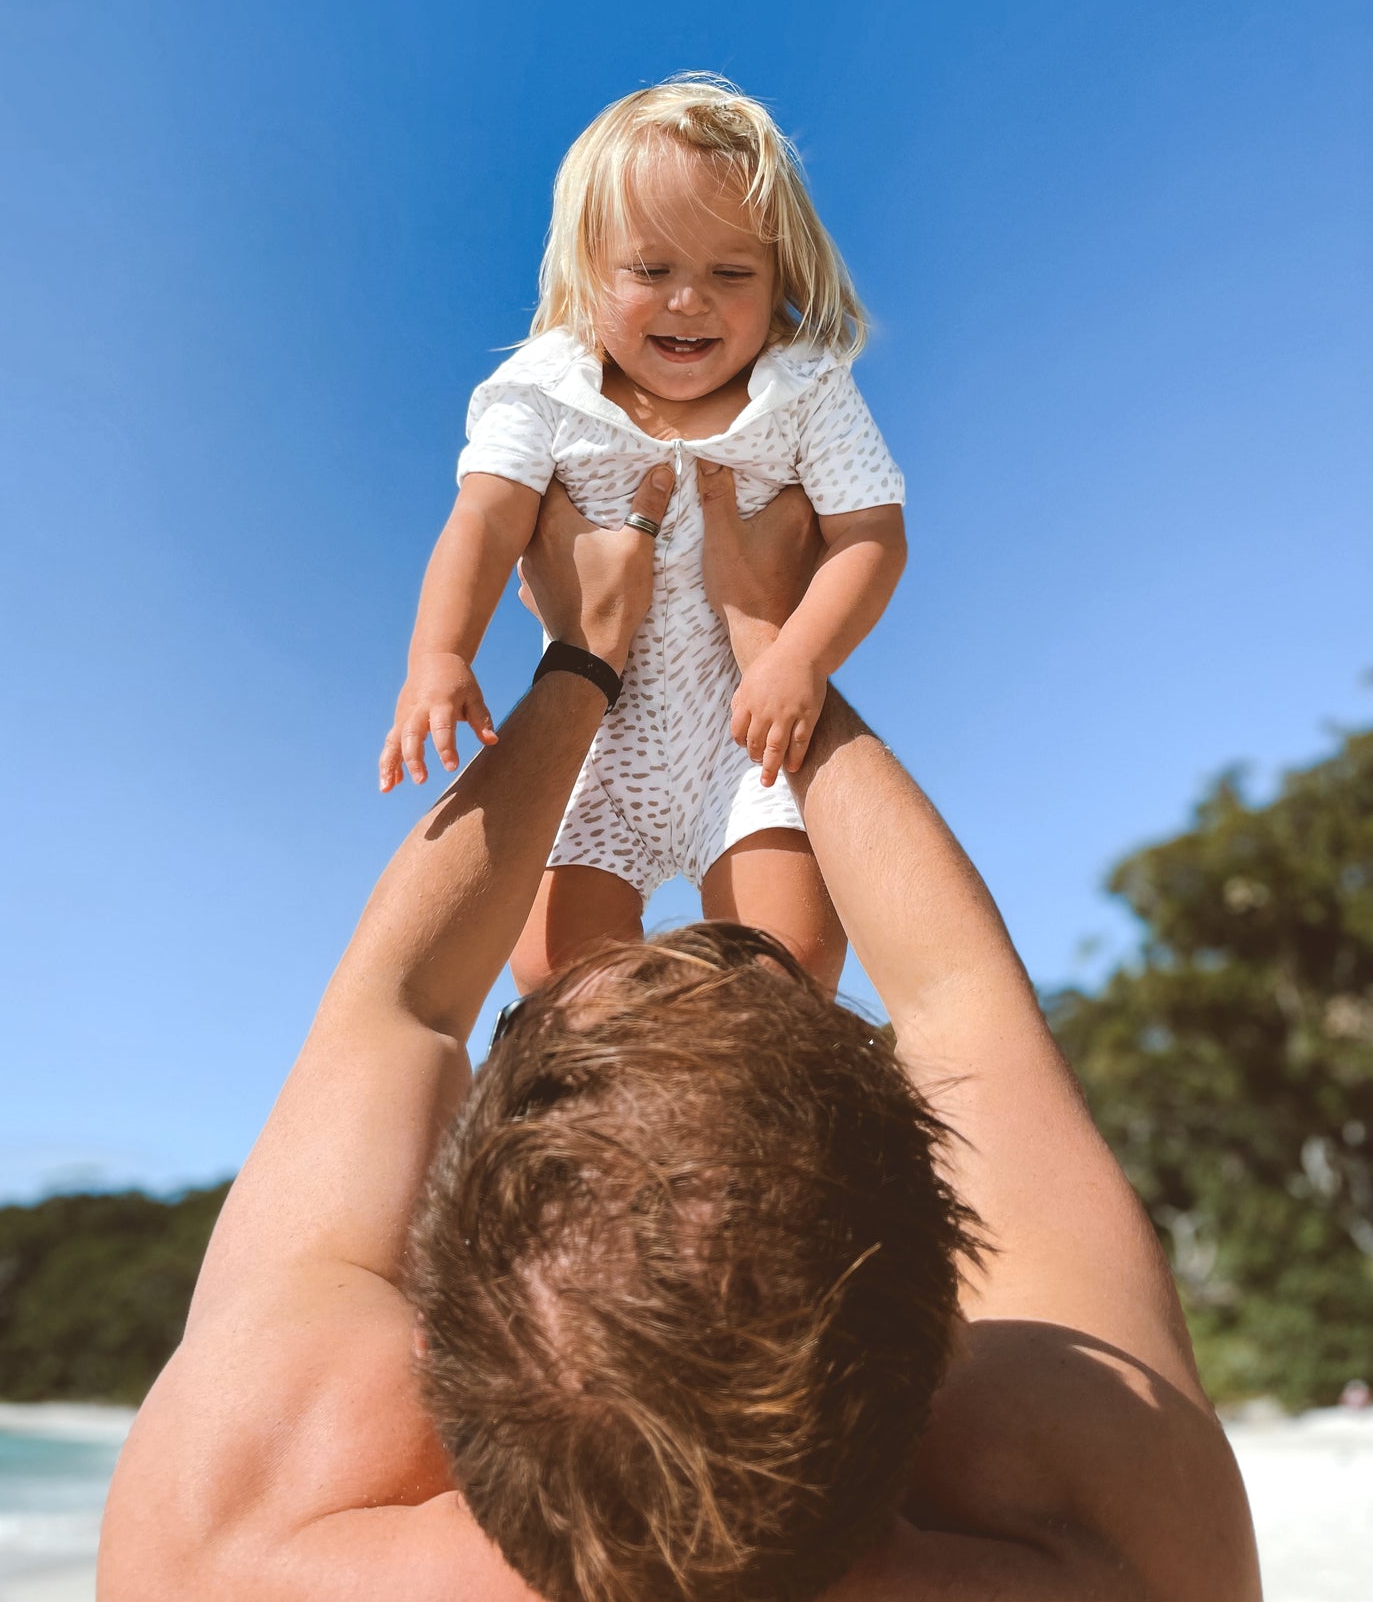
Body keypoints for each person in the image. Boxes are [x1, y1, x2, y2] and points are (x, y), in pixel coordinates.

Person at [100, 463, 1260, 1602]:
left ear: (429, 1361)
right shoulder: (1130, 1562)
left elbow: (394, 1004)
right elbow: (961, 997)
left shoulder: (226, 1557)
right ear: (942, 1361)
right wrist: (770, 641)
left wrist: (585, 649)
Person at [377, 74, 907, 990]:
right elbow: (486, 518)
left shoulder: (804, 387)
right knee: (555, 974)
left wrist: (800, 659)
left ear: (778, 275)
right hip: (595, 741)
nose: (689, 301)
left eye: (730, 274)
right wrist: (438, 654)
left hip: (745, 729)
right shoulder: (546, 388)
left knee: (794, 962)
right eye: (651, 270)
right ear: (589, 269)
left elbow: (871, 532)